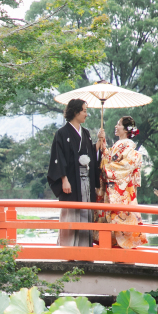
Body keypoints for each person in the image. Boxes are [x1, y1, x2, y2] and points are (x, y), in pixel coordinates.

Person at [47, 99, 104, 246]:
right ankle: (68, 250)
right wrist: (64, 179)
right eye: (84, 111)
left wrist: (98, 143)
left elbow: (90, 154)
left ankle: (84, 249)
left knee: (86, 213)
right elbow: (58, 157)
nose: (86, 114)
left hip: (86, 182)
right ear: (75, 112)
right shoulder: (61, 133)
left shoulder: (85, 133)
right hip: (71, 181)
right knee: (71, 215)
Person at [95, 115, 148, 249]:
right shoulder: (123, 146)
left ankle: (122, 246)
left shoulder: (126, 147)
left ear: (125, 130)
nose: (116, 126)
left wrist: (106, 167)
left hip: (121, 188)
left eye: (118, 124)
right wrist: (103, 145)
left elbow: (117, 164)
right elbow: (109, 158)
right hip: (121, 188)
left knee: (120, 215)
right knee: (121, 215)